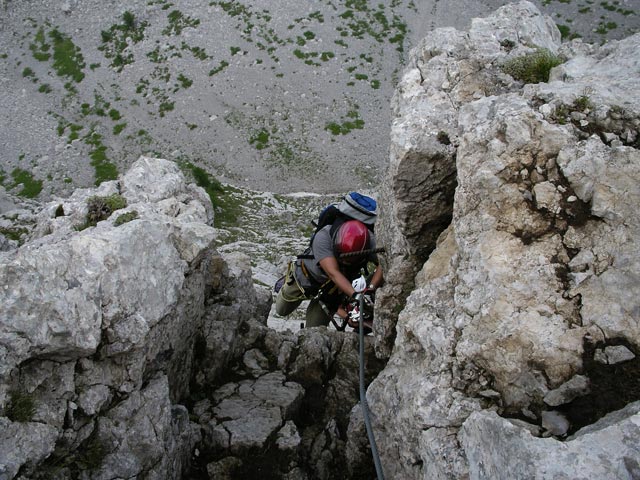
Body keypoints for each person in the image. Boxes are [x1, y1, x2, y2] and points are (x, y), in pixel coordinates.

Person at [275, 193, 383, 328]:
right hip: (307, 277)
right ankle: (285, 283)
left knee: (315, 329)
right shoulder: (323, 238)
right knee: (281, 310)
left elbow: (384, 263)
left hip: (333, 291)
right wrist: (357, 297)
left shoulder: (369, 241)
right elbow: (333, 273)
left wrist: (370, 290)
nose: (349, 262)